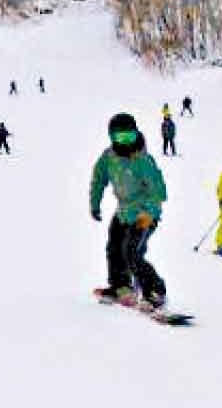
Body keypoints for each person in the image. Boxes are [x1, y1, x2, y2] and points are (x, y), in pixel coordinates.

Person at [90, 113, 168, 308]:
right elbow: (99, 179)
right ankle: (121, 285)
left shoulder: (142, 160)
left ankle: (155, 289)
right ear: (112, 137)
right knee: (114, 248)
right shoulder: (109, 157)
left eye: (129, 137)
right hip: (123, 212)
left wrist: (148, 213)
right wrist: (95, 203)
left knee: (132, 251)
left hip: (145, 214)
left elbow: (159, 191)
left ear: (136, 134)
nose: (125, 143)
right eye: (120, 138)